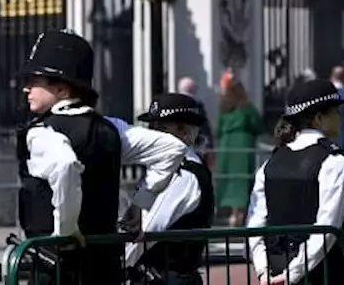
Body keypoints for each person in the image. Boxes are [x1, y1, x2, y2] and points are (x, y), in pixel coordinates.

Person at [17, 29, 188, 285]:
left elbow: (66, 165)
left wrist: (66, 230)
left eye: (35, 80)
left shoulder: (41, 132)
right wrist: (140, 204)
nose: (26, 88)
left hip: (54, 271)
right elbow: (171, 149)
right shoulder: (111, 128)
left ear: (62, 88)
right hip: (103, 268)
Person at [247, 80, 344, 285]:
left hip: (275, 272)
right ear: (318, 118)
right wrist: (293, 274)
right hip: (321, 273)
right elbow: (326, 229)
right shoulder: (335, 161)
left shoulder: (271, 162)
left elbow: (254, 225)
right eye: (335, 112)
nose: (340, 117)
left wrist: (263, 271)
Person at [126, 92, 216, 285]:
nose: (152, 135)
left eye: (161, 128)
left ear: (185, 132)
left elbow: (147, 229)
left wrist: (117, 267)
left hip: (168, 278)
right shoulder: (167, 168)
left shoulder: (183, 173)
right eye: (151, 127)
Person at [214, 79, 262, 226]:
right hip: (243, 148)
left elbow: (218, 131)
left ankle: (233, 214)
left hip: (226, 148)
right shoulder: (247, 109)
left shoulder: (224, 110)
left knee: (231, 179)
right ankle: (239, 214)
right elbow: (258, 126)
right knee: (242, 180)